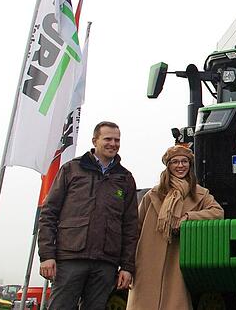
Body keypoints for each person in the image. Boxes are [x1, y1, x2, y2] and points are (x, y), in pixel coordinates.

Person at [38, 121, 139, 310]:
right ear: (95, 140)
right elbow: (49, 213)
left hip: (105, 264)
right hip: (70, 259)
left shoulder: (125, 179)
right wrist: (47, 255)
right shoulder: (71, 169)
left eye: (117, 140)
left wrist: (127, 266)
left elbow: (130, 227)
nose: (113, 144)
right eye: (107, 139)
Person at [126, 145, 224, 309]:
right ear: (168, 166)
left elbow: (218, 212)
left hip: (177, 259)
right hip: (147, 260)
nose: (180, 166)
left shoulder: (200, 194)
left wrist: (189, 217)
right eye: (175, 162)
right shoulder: (152, 195)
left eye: (184, 161)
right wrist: (128, 264)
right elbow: (135, 228)